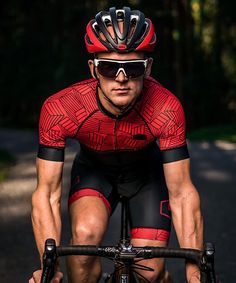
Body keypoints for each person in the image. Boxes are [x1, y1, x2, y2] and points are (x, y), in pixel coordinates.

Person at [29, 6, 203, 283]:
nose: (121, 78)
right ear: (93, 69)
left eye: (132, 68)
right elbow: (46, 195)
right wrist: (49, 268)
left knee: (150, 272)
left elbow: (182, 193)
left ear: (148, 68)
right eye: (109, 67)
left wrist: (196, 273)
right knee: (85, 238)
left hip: (147, 173)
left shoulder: (166, 107)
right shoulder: (61, 108)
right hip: (94, 171)